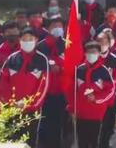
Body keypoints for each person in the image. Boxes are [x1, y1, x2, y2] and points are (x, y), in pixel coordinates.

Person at [0, 27, 50, 147]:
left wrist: (30, 104)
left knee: (31, 141)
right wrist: (12, 103)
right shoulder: (11, 59)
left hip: (32, 110)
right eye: (24, 39)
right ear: (20, 40)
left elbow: (43, 86)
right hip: (12, 109)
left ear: (36, 40)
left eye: (30, 39)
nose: (27, 41)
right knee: (12, 140)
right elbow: (3, 83)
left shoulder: (42, 60)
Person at [67, 41, 115, 148]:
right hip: (81, 114)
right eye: (89, 52)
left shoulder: (104, 71)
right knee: (81, 142)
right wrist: (72, 108)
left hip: (96, 114)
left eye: (94, 52)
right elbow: (72, 91)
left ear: (99, 53)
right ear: (85, 53)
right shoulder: (79, 70)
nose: (91, 55)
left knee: (94, 142)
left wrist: (96, 98)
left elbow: (110, 91)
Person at [37, 18, 66, 148]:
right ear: (48, 29)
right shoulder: (41, 46)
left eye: (60, 26)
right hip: (45, 91)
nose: (57, 28)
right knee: (44, 122)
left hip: (62, 91)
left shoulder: (67, 45)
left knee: (60, 123)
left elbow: (74, 65)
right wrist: (49, 67)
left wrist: (61, 68)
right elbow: (37, 65)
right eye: (55, 25)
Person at [97, 32, 116, 148]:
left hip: (109, 98)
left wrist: (106, 86)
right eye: (99, 41)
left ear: (109, 43)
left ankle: (105, 143)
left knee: (108, 124)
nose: (102, 44)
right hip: (95, 99)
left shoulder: (113, 58)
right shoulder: (92, 57)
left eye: (104, 41)